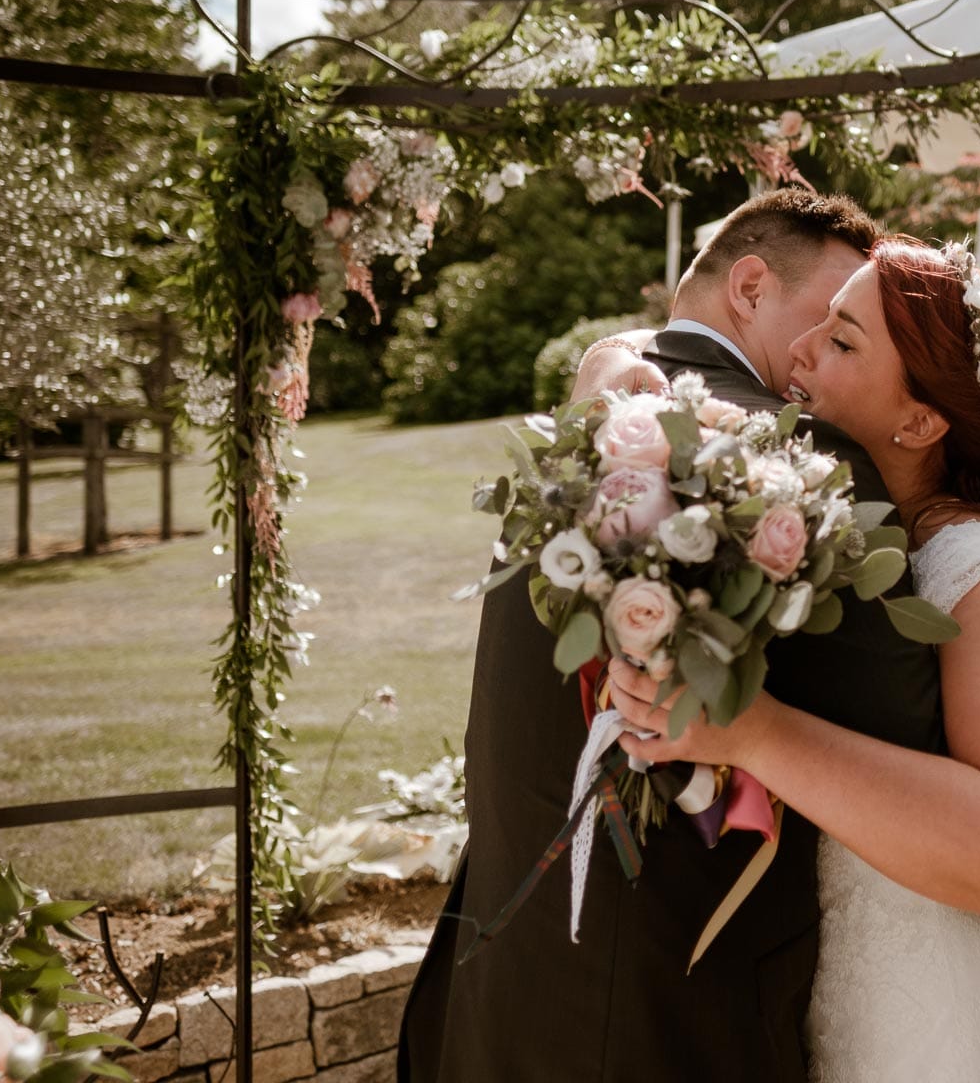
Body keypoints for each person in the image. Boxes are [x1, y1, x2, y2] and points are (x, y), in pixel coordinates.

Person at [398, 192, 948, 1083]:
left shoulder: (570, 437)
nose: (823, 351)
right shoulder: (804, 462)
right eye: (836, 317)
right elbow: (917, 744)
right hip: (669, 1019)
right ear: (751, 285)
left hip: (504, 983)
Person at [606, 237, 980, 1080]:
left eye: (841, 341)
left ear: (920, 421)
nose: (800, 348)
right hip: (838, 1001)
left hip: (948, 1027)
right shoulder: (846, 523)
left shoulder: (971, 564)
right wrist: (609, 359)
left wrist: (755, 735)